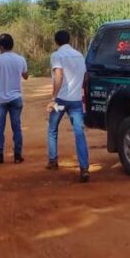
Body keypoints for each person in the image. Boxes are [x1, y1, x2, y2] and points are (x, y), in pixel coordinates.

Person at [46, 30, 90, 182]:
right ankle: (84, 168)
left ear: (56, 42)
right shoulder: (79, 55)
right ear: (68, 40)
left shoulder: (56, 55)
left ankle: (53, 161)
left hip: (60, 101)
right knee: (79, 133)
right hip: (76, 101)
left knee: (52, 129)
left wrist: (53, 98)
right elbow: (85, 76)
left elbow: (58, 75)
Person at [0, 33, 28, 164]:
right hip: (16, 97)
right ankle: (17, 155)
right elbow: (25, 76)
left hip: (0, 99)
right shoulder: (20, 59)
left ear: (0, 46)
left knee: (0, 127)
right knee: (16, 127)